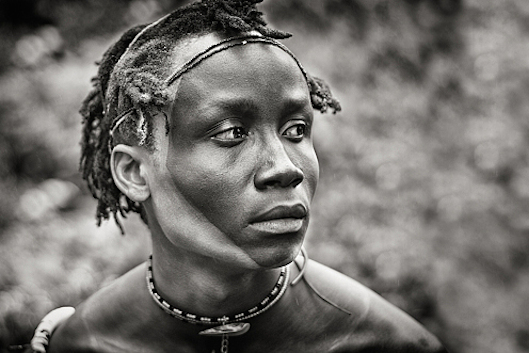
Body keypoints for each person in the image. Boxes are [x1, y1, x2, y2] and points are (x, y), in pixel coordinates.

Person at [20, 0, 447, 352]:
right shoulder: (82, 345)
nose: (286, 167)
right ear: (133, 172)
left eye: (296, 130)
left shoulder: (388, 344)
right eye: (231, 133)